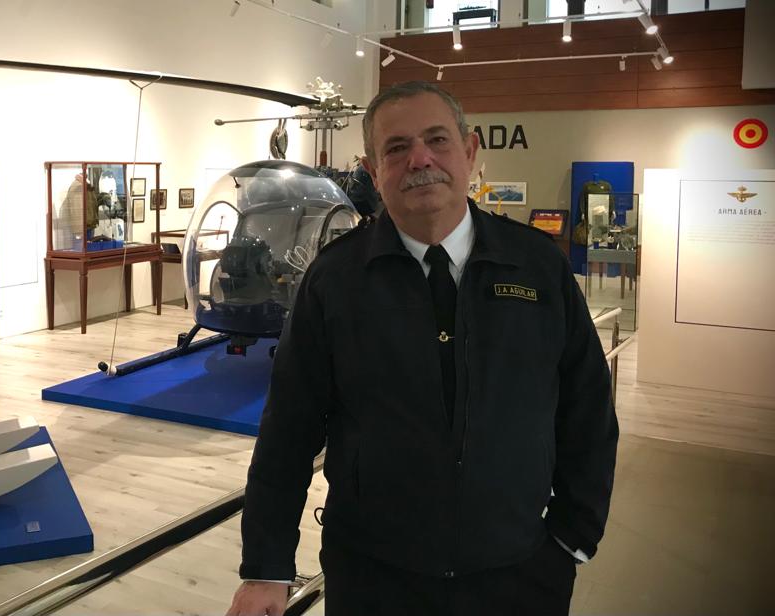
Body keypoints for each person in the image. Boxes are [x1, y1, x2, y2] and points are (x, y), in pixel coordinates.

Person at [226, 81, 618, 616]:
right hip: (374, 578)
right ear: (372, 169)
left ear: (471, 151)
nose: (420, 160)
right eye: (397, 148)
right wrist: (266, 565)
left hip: (520, 573)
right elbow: (289, 428)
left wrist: (573, 537)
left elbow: (589, 410)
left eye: (437, 140)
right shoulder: (335, 279)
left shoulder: (538, 267)